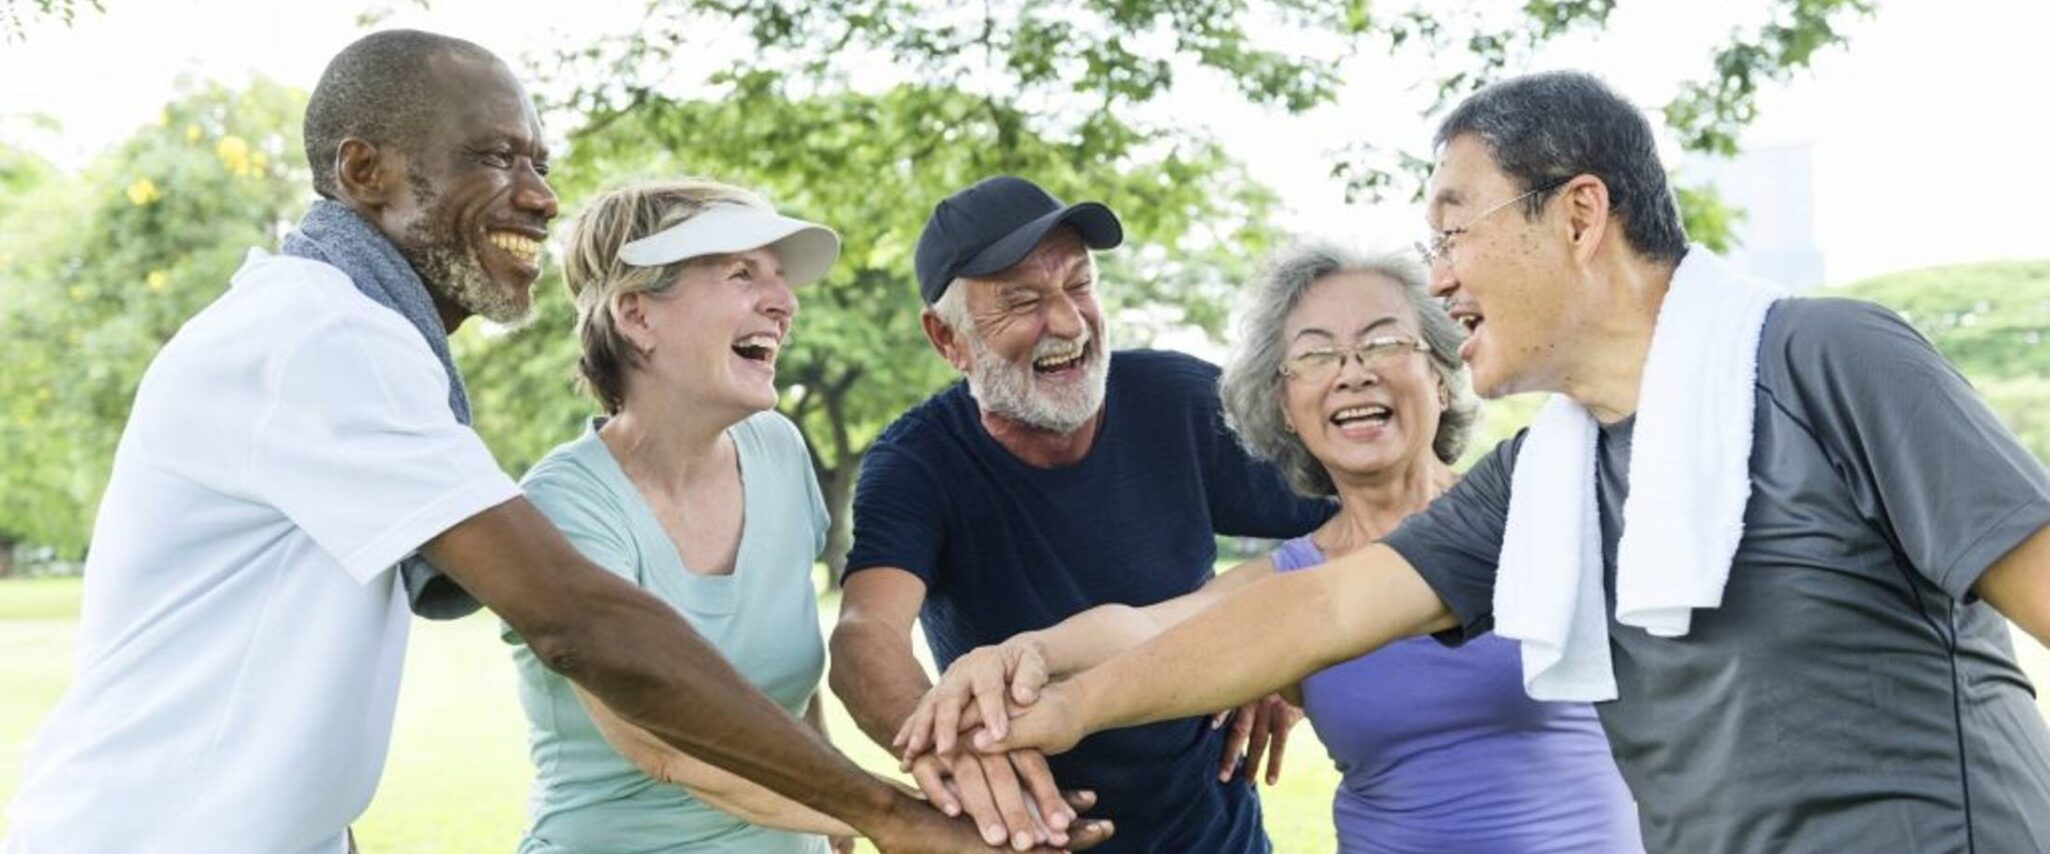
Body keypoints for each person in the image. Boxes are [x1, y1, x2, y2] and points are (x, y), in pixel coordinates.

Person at [2, 31, 1049, 854]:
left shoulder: (367, 345)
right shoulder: (320, 334)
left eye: (539, 161)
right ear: (363, 170)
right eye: (496, 158)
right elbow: (577, 620)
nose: (542, 196)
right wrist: (897, 814)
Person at [954, 72, 2050, 853]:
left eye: (1451, 230)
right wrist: (1068, 700)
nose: (1437, 279)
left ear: (1578, 213)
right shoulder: (1549, 476)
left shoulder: (1826, 359)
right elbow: (1314, 609)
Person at [898, 244, 1643, 852]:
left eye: (1384, 341)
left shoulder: (1539, 510)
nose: (1353, 369)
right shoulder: (1291, 581)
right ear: (1285, 408)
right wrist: (1018, 652)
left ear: (1442, 377)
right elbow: (1149, 626)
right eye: (1314, 356)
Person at [829, 175, 1332, 853]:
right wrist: (947, 746)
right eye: (1023, 301)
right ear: (947, 340)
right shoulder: (917, 461)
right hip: (1032, 836)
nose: (1066, 322)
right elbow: (866, 634)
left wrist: (1295, 658)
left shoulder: (1178, 401)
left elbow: (1378, 514)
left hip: (1214, 836)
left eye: (1078, 284)